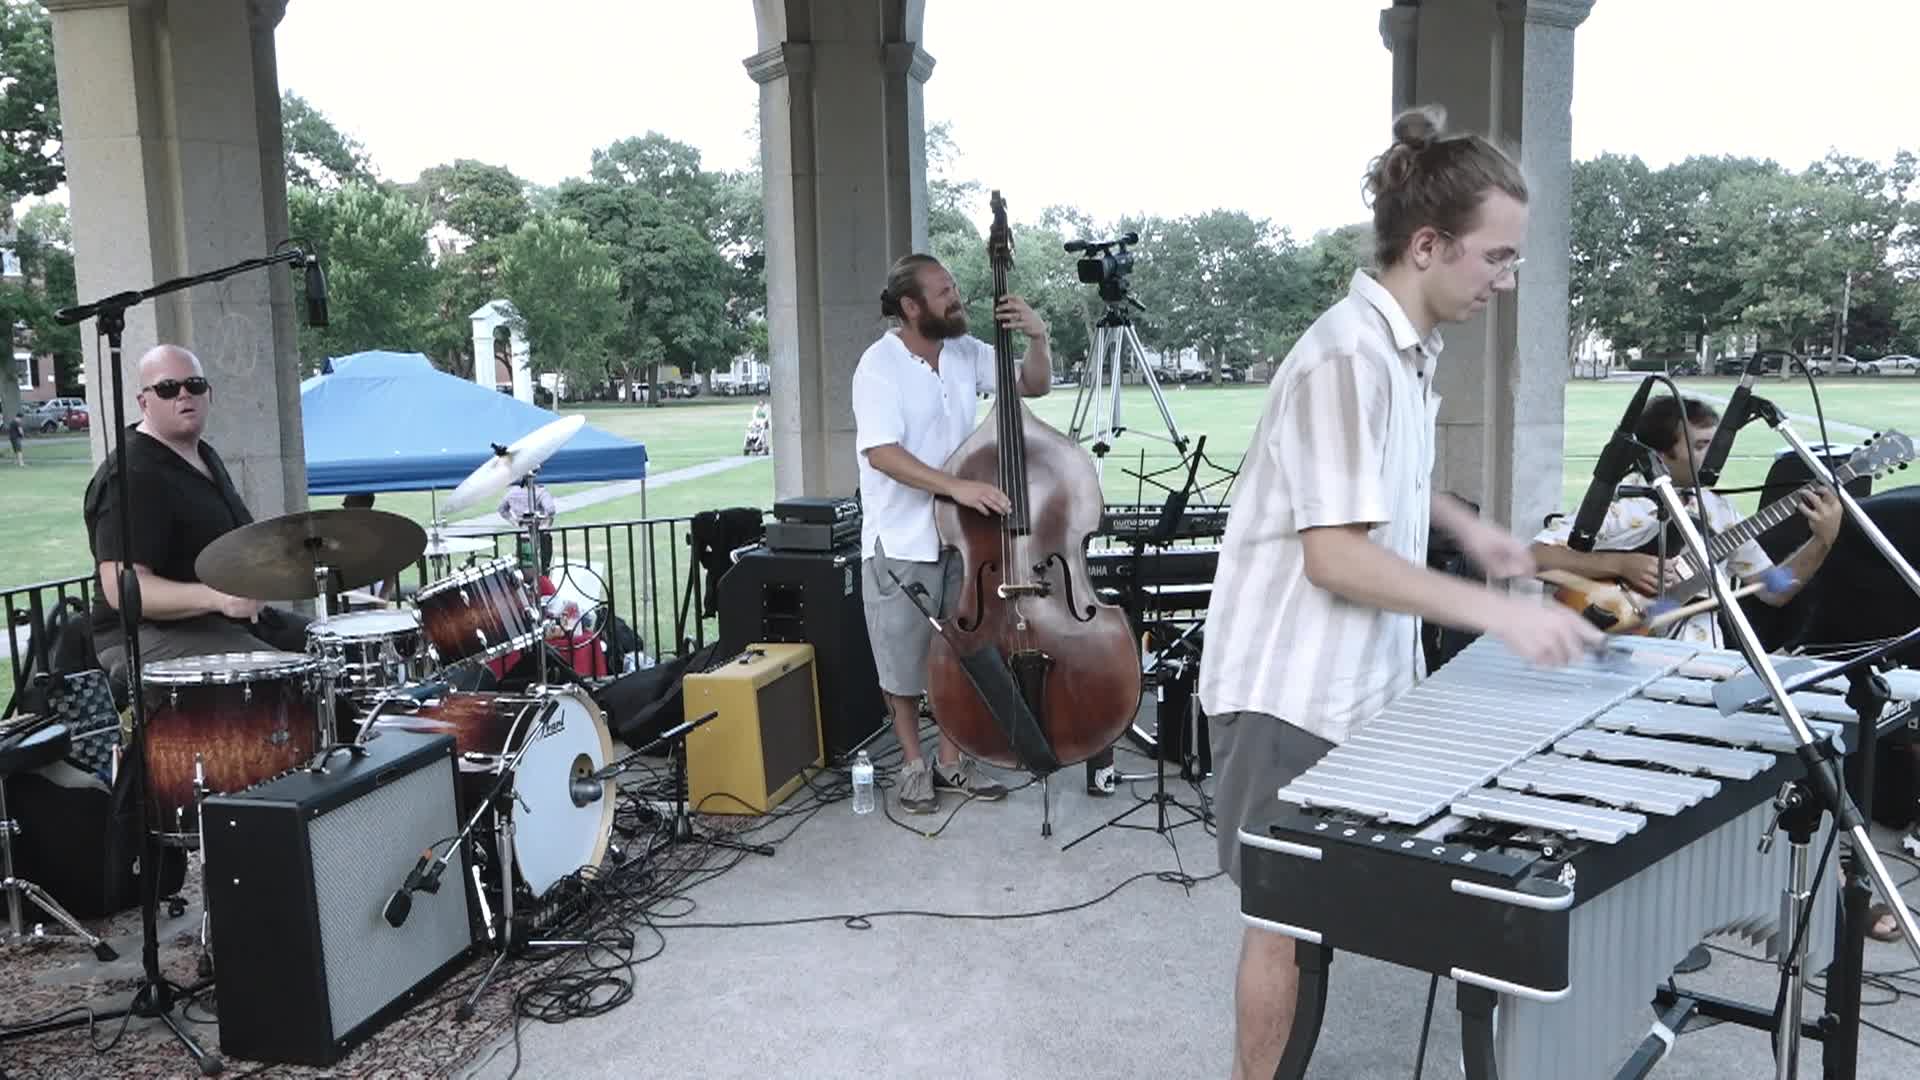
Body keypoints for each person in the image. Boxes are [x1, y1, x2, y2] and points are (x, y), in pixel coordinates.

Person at [1199, 105, 1603, 1080]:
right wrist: (1500, 611)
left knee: (1327, 915)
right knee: (1281, 925)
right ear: (1428, 245)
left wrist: (1470, 530)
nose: (1506, 283)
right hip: (1286, 691)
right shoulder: (1347, 354)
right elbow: (1334, 555)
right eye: (1496, 259)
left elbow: (1382, 479)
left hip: (1357, 687)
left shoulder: (1401, 353)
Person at [851, 253, 1051, 813]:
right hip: (903, 539)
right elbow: (882, 453)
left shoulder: (964, 352)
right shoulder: (879, 366)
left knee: (965, 654)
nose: (956, 297)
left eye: (954, 287)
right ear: (911, 307)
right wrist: (954, 487)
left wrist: (1038, 336)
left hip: (961, 539)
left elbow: (1032, 386)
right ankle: (914, 765)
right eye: (943, 292)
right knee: (904, 665)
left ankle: (952, 762)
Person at [1531, 395, 1841, 644]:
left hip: (1700, 666)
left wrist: (1822, 540)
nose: (1715, 454)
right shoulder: (1622, 505)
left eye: (1715, 442)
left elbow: (1776, 591)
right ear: (1661, 454)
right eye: (1701, 446)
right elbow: (1534, 558)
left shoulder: (1720, 511)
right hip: (1620, 655)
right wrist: (1620, 565)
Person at [84, 345, 310, 685]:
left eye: (195, 385)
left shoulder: (204, 455)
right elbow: (122, 589)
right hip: (143, 634)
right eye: (167, 388)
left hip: (217, 621)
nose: (183, 394)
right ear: (144, 402)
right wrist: (218, 598)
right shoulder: (131, 473)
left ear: (209, 394)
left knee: (327, 646)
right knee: (274, 675)